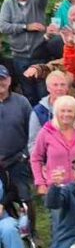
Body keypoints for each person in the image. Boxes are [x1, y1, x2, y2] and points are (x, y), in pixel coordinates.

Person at [30, 96, 75, 216]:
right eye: (63, 111)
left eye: (70, 111)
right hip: (56, 187)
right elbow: (36, 158)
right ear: (56, 112)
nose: (66, 114)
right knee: (59, 225)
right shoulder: (46, 130)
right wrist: (40, 182)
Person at [0, 0, 49, 104]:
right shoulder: (8, 4)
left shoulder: (37, 1)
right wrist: (26, 27)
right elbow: (3, 26)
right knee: (28, 94)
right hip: (19, 56)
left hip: (38, 54)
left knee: (43, 93)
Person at [0, 65, 34, 226]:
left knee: (25, 197)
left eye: (3, 78)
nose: (0, 82)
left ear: (9, 80)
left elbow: (32, 132)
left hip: (18, 160)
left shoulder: (22, 102)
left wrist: (25, 155)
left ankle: (32, 233)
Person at [0, 175, 40, 248]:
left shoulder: (3, 173)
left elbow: (12, 191)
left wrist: (2, 204)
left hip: (4, 217)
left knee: (10, 229)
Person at [27, 69, 71, 154]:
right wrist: (39, 164)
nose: (59, 88)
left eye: (62, 85)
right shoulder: (38, 111)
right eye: (55, 85)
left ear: (67, 87)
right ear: (48, 88)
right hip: (48, 161)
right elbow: (33, 143)